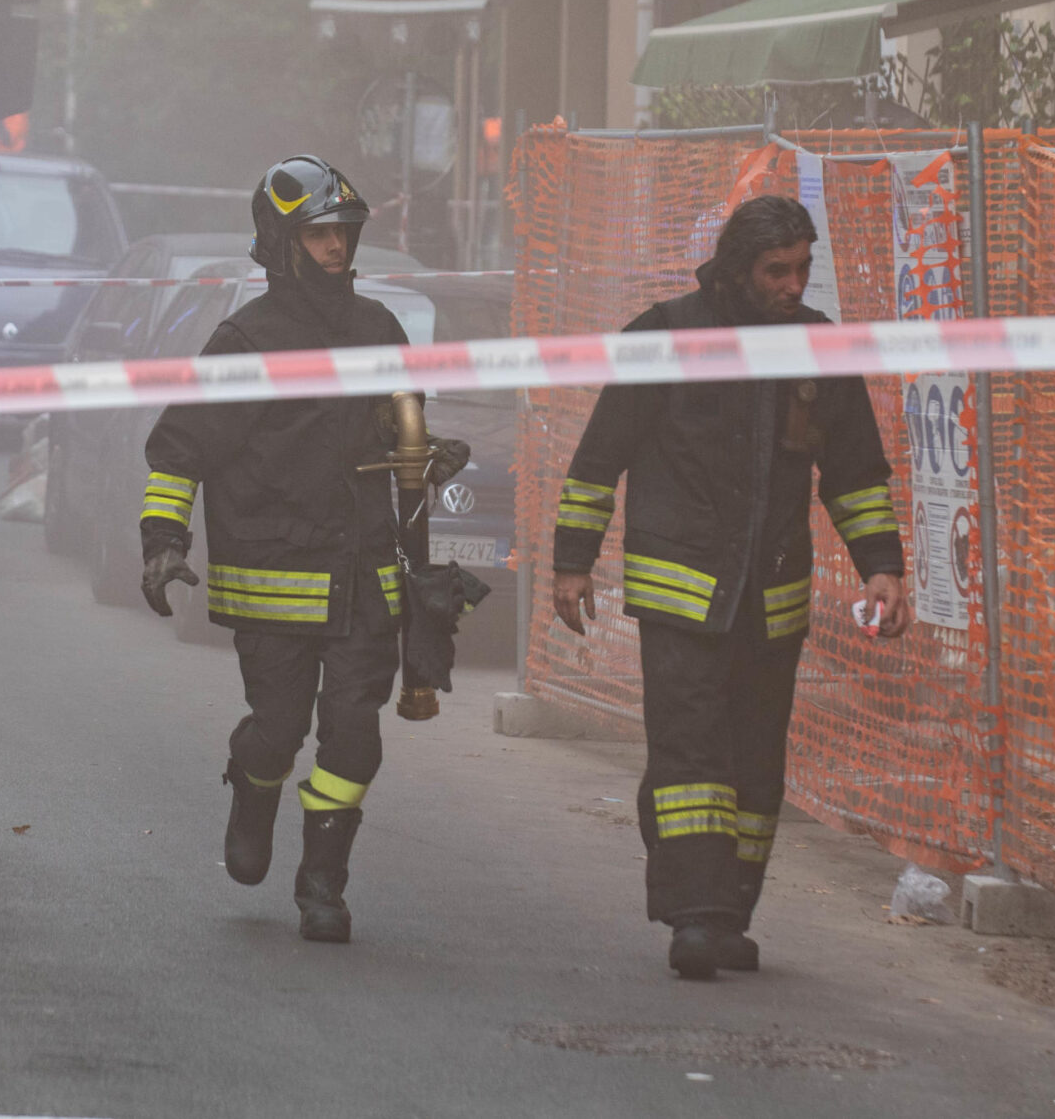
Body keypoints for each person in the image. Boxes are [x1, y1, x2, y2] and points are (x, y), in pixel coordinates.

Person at [551, 193, 911, 980]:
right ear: (738, 268)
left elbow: (854, 472)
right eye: (776, 270)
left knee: (756, 767)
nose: (793, 284)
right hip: (679, 594)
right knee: (689, 753)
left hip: (772, 596)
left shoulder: (818, 349)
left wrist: (882, 565)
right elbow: (597, 456)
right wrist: (572, 560)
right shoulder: (667, 334)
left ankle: (733, 909)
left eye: (802, 269)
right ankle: (696, 913)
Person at [136, 154, 462, 943]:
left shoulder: (379, 330)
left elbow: (398, 435)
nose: (336, 249)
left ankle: (324, 883)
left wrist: (426, 451)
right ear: (282, 242)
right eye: (319, 235)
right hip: (273, 576)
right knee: (277, 727)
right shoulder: (246, 339)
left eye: (343, 233)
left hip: (362, 576)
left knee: (355, 734)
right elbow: (179, 448)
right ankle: (255, 786)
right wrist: (163, 540)